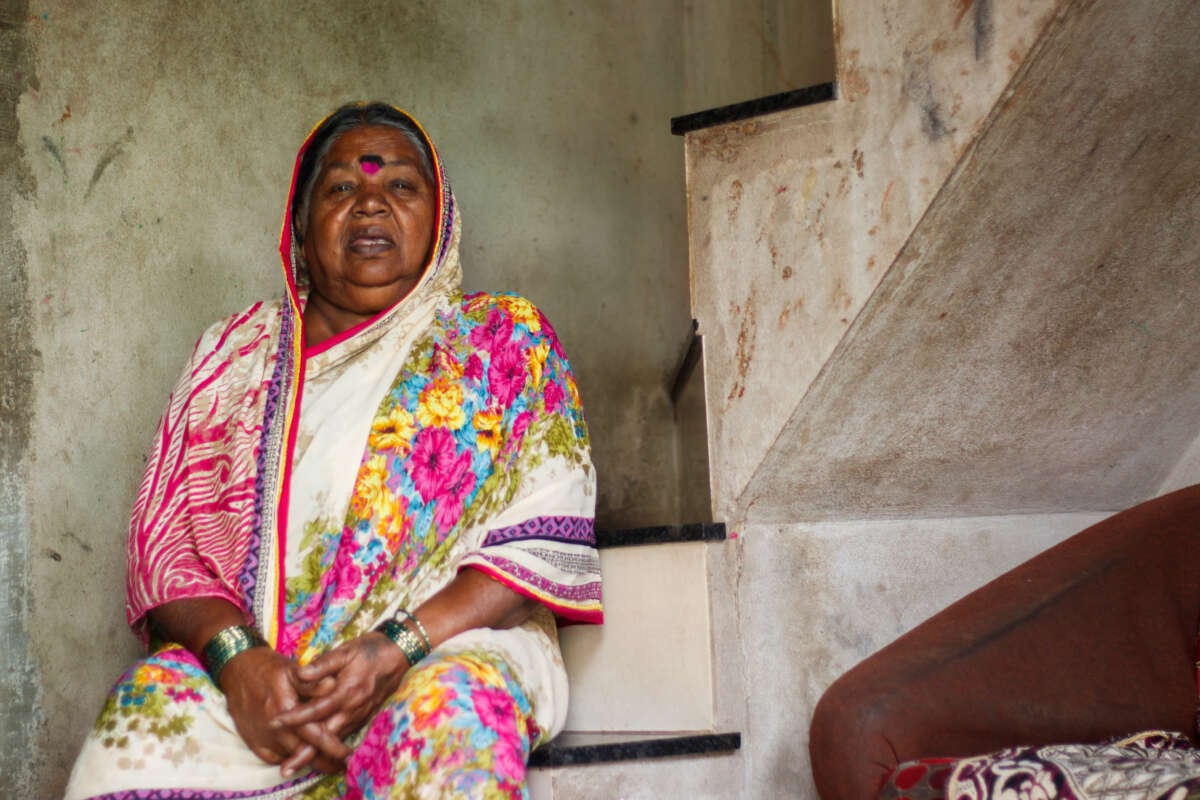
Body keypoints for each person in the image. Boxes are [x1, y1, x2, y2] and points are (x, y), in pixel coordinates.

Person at [65, 102, 602, 800]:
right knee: (139, 729)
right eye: (342, 188)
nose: (372, 203)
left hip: (439, 652)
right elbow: (167, 544)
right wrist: (240, 665)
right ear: (300, 225)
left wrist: (395, 648)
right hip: (263, 682)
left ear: (441, 218)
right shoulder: (235, 356)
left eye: (402, 187)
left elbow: (540, 526)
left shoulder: (501, 342)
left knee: (450, 720)